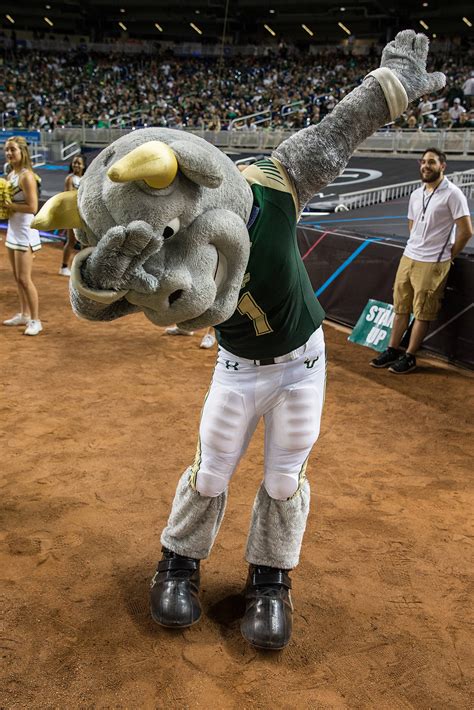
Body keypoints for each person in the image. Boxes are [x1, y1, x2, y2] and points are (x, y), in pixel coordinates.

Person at [371, 148, 472, 374]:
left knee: (423, 311)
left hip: (433, 262)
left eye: (432, 162)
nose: (426, 166)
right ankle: (392, 349)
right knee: (401, 306)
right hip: (409, 257)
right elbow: (411, 224)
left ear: (442, 166)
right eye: (423, 162)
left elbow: (466, 231)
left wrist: (447, 256)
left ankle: (410, 356)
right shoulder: (417, 194)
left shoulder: (453, 194)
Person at [2, 136, 43, 336]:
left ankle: (36, 320)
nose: (9, 153)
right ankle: (24, 314)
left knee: (25, 279)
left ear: (22, 152)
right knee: (17, 278)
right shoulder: (11, 175)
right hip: (13, 229)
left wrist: (10, 206)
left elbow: (33, 207)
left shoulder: (27, 176)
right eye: (6, 149)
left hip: (26, 231)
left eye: (12, 150)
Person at [59, 155, 86, 276]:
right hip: (73, 213)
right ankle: (64, 267)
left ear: (83, 166)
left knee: (85, 242)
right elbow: (68, 196)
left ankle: (81, 268)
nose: (76, 165)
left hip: (83, 215)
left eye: (79, 163)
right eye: (74, 163)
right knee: (71, 240)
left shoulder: (86, 179)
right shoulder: (70, 178)